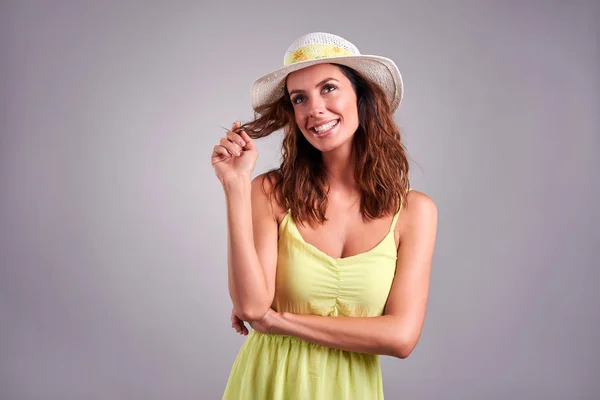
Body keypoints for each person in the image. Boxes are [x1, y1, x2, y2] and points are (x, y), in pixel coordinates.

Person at [210, 32, 438, 399]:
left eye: (328, 88)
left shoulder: (415, 212)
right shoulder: (270, 193)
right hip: (268, 384)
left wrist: (279, 321)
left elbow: (401, 337)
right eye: (300, 98)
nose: (314, 108)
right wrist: (236, 185)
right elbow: (252, 306)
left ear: (362, 99)